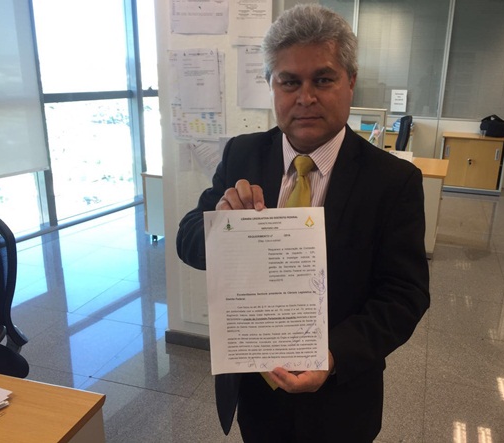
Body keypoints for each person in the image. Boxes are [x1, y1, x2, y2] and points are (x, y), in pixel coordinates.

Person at [176, 4, 430, 442]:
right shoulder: (242, 154)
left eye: (323, 80)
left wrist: (332, 356)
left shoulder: (392, 181)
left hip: (341, 397)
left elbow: (405, 295)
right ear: (271, 85)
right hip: (255, 388)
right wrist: (223, 229)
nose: (305, 97)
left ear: (350, 81)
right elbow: (188, 239)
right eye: (289, 81)